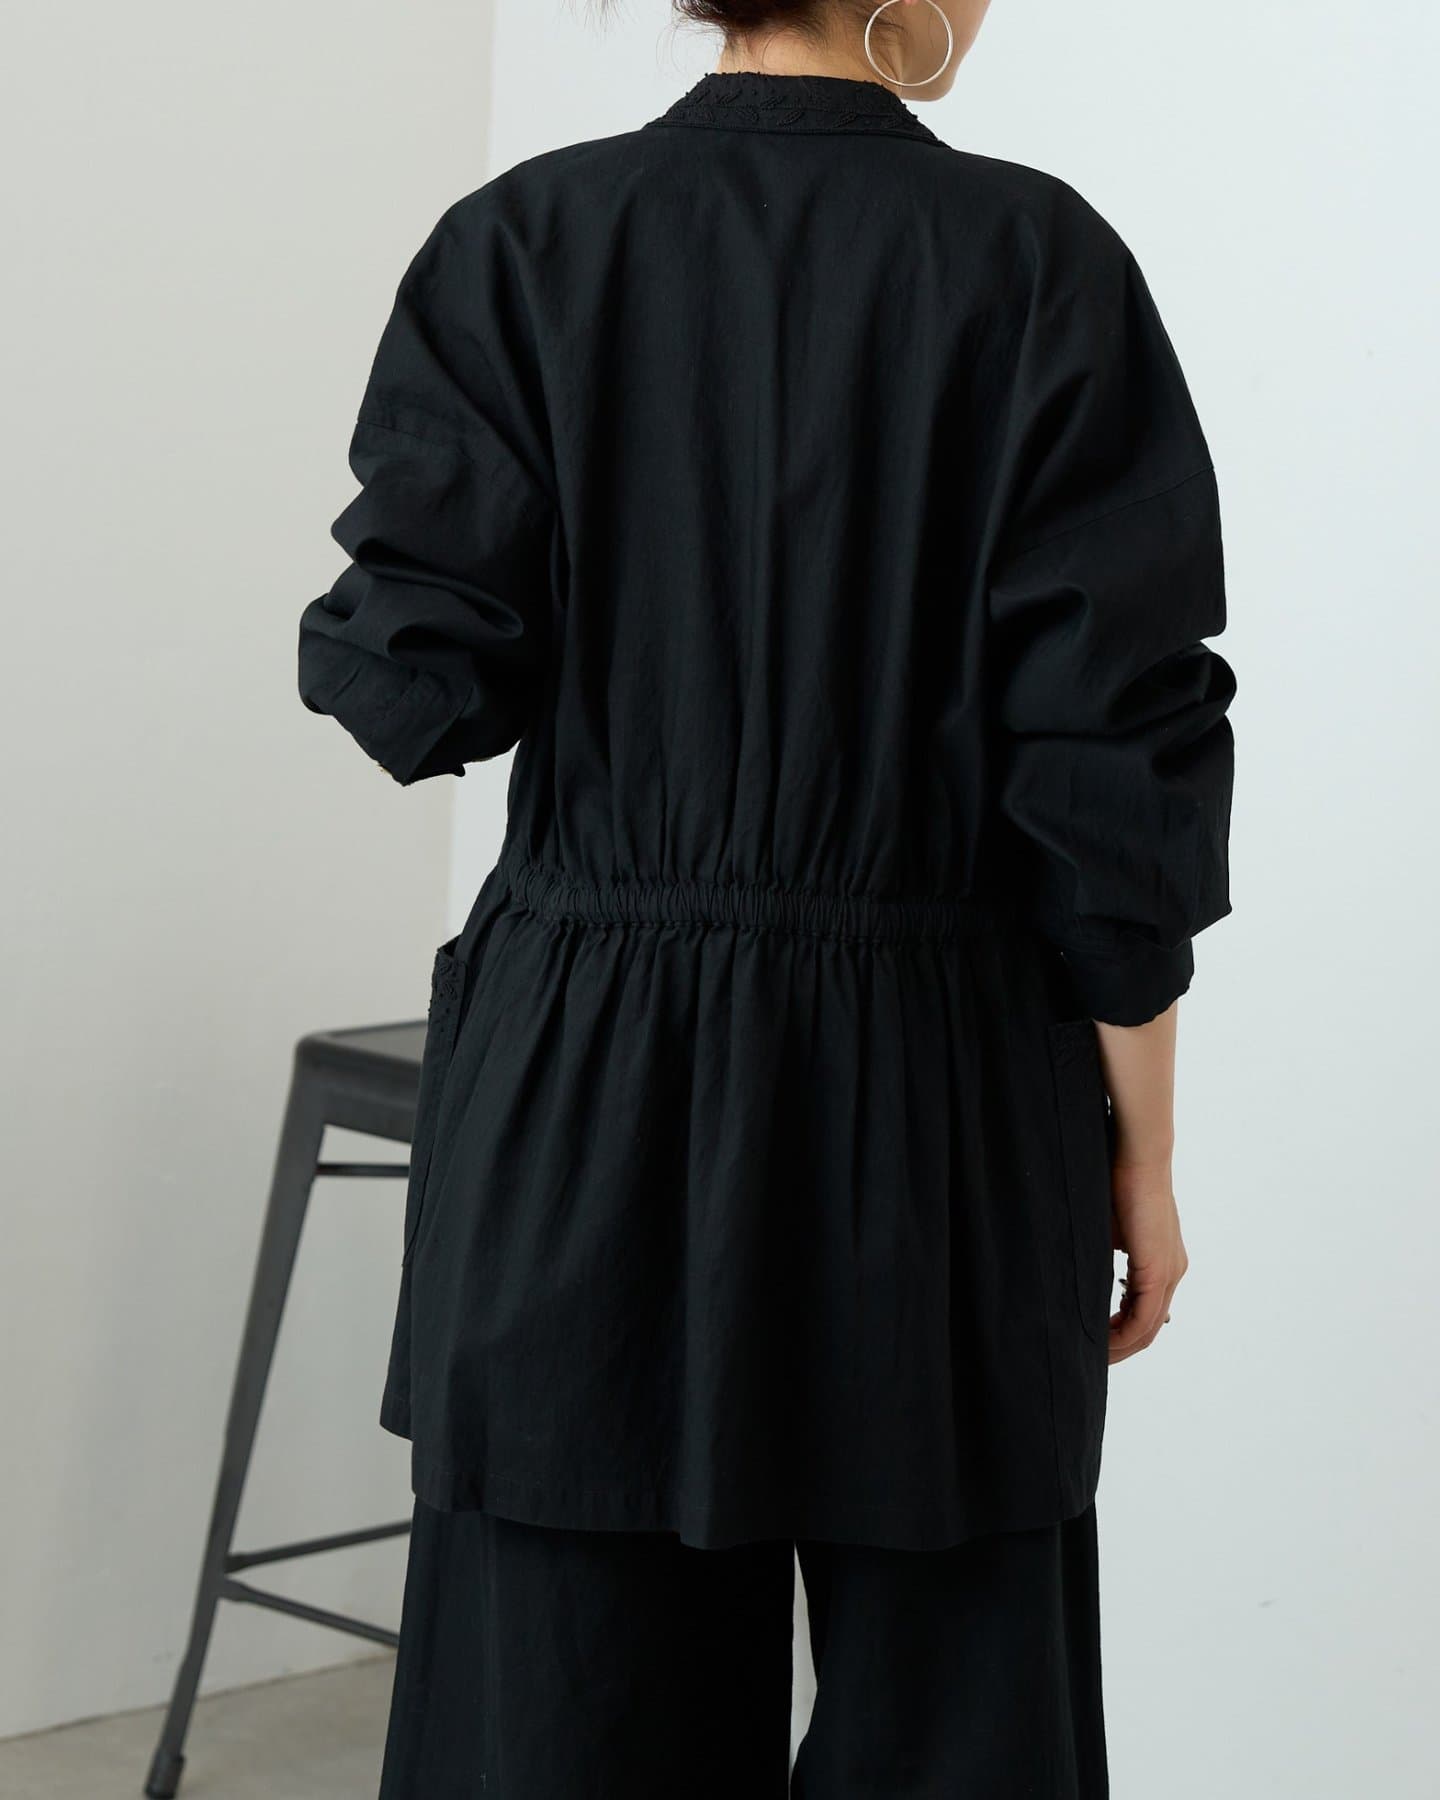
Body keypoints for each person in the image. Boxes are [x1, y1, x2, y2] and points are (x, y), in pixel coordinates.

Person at [297, 1, 1235, 1792]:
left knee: (558, 1729)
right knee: (964, 1733)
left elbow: (415, 683)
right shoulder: (1041, 263)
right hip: (943, 1098)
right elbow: (1116, 781)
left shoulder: (525, 241)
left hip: (583, 1095)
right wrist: (1145, 1160)